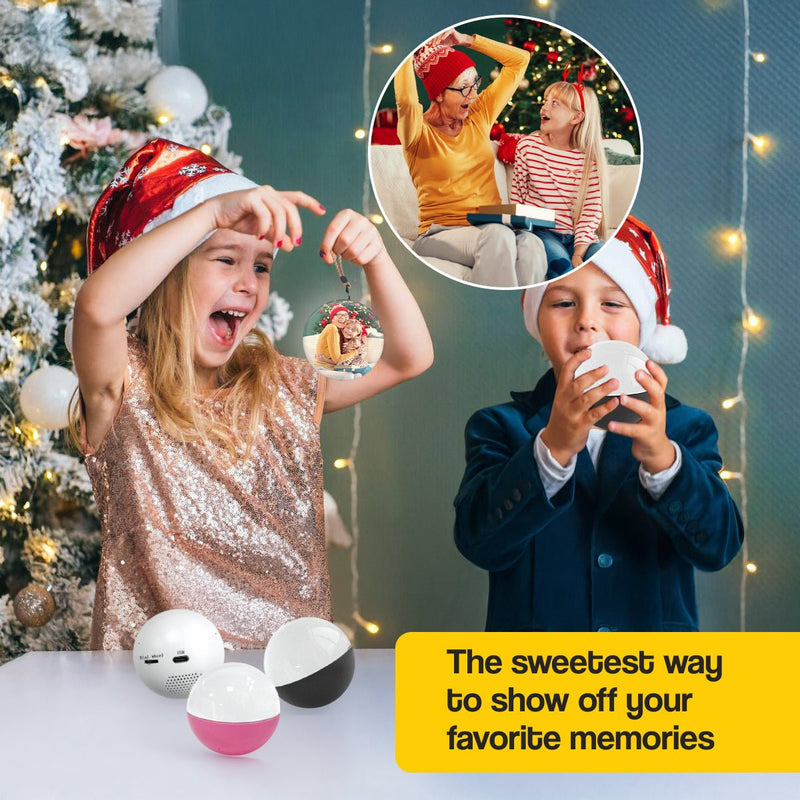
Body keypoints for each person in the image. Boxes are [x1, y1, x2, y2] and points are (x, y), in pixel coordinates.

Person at [72, 138, 433, 650]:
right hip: (152, 677)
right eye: (226, 259)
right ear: (166, 273)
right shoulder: (121, 383)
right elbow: (96, 307)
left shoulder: (282, 385)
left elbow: (407, 357)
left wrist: (376, 257)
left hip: (289, 671)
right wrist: (210, 213)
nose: (249, 284)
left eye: (262, 266)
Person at [453, 216, 743, 632]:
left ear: (643, 325)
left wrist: (664, 461)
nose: (586, 321)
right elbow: (480, 544)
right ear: (537, 323)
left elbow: (718, 548)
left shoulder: (686, 427)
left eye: (612, 304)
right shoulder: (498, 426)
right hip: (534, 669)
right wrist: (551, 449)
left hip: (653, 668)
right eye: (563, 303)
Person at [395, 27, 546, 288]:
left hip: (491, 223)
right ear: (439, 94)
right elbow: (407, 102)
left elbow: (519, 61)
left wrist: (466, 40)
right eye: (464, 88)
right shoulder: (417, 133)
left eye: (475, 83)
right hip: (440, 233)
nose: (474, 94)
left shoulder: (478, 115)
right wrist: (405, 53)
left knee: (532, 244)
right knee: (498, 236)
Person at [510, 71, 607, 280]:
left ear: (576, 117)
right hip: (542, 232)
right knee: (562, 267)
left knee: (605, 265)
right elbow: (517, 196)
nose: (544, 108)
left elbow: (590, 211)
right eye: (545, 101)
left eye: (555, 103)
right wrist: (518, 232)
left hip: (580, 238)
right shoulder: (528, 146)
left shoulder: (589, 159)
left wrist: (579, 253)